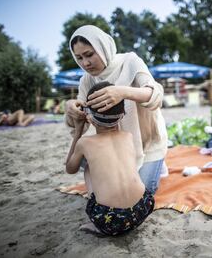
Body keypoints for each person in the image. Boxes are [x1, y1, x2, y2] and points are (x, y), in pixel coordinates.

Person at [65, 25, 168, 195]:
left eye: (89, 54)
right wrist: (71, 107)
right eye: (79, 58)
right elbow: (80, 117)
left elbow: (155, 94)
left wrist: (122, 91)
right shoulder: (87, 79)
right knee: (84, 158)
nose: (86, 63)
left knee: (143, 193)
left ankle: (158, 162)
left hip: (148, 141)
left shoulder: (130, 62)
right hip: (116, 143)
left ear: (103, 47)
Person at [66, 81, 154, 236]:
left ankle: (97, 226)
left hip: (110, 221)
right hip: (143, 208)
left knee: (87, 168)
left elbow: (70, 169)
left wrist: (78, 129)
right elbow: (112, 126)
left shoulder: (85, 143)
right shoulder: (127, 136)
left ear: (90, 118)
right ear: (121, 116)